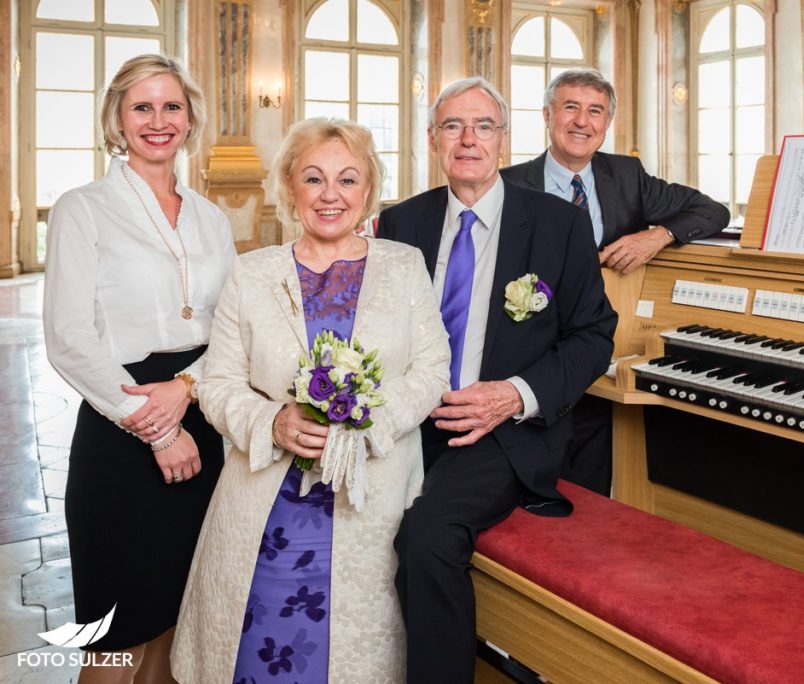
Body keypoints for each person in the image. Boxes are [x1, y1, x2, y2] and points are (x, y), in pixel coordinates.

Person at [170, 117, 449, 683]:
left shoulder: (404, 265)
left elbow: (432, 368)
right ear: (289, 187)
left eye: (348, 180)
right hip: (268, 508)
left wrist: (368, 423)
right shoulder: (250, 274)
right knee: (260, 654)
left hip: (370, 500)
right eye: (314, 178)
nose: (331, 195)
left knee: (354, 658)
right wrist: (272, 421)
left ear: (368, 188)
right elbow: (219, 383)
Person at [377, 77, 617, 683]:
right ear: (433, 139)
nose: (469, 139)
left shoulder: (558, 224)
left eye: (484, 126)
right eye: (453, 126)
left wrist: (515, 395)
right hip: (408, 419)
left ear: (505, 141)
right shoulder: (401, 222)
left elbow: (593, 337)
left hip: (501, 431)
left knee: (427, 537)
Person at [42, 54, 235, 682]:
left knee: (175, 625)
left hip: (201, 420)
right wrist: (157, 426)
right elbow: (69, 338)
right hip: (120, 424)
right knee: (117, 636)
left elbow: (234, 329)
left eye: (171, 106)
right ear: (117, 120)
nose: (158, 120)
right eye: (142, 107)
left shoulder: (210, 216)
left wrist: (186, 392)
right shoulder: (83, 207)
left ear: (190, 118)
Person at [501, 68, 730, 496]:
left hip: (604, 348)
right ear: (547, 115)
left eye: (595, 111)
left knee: (593, 486)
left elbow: (712, 211)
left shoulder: (627, 176)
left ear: (606, 123)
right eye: (570, 108)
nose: (582, 122)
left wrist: (657, 235)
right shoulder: (510, 184)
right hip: (530, 358)